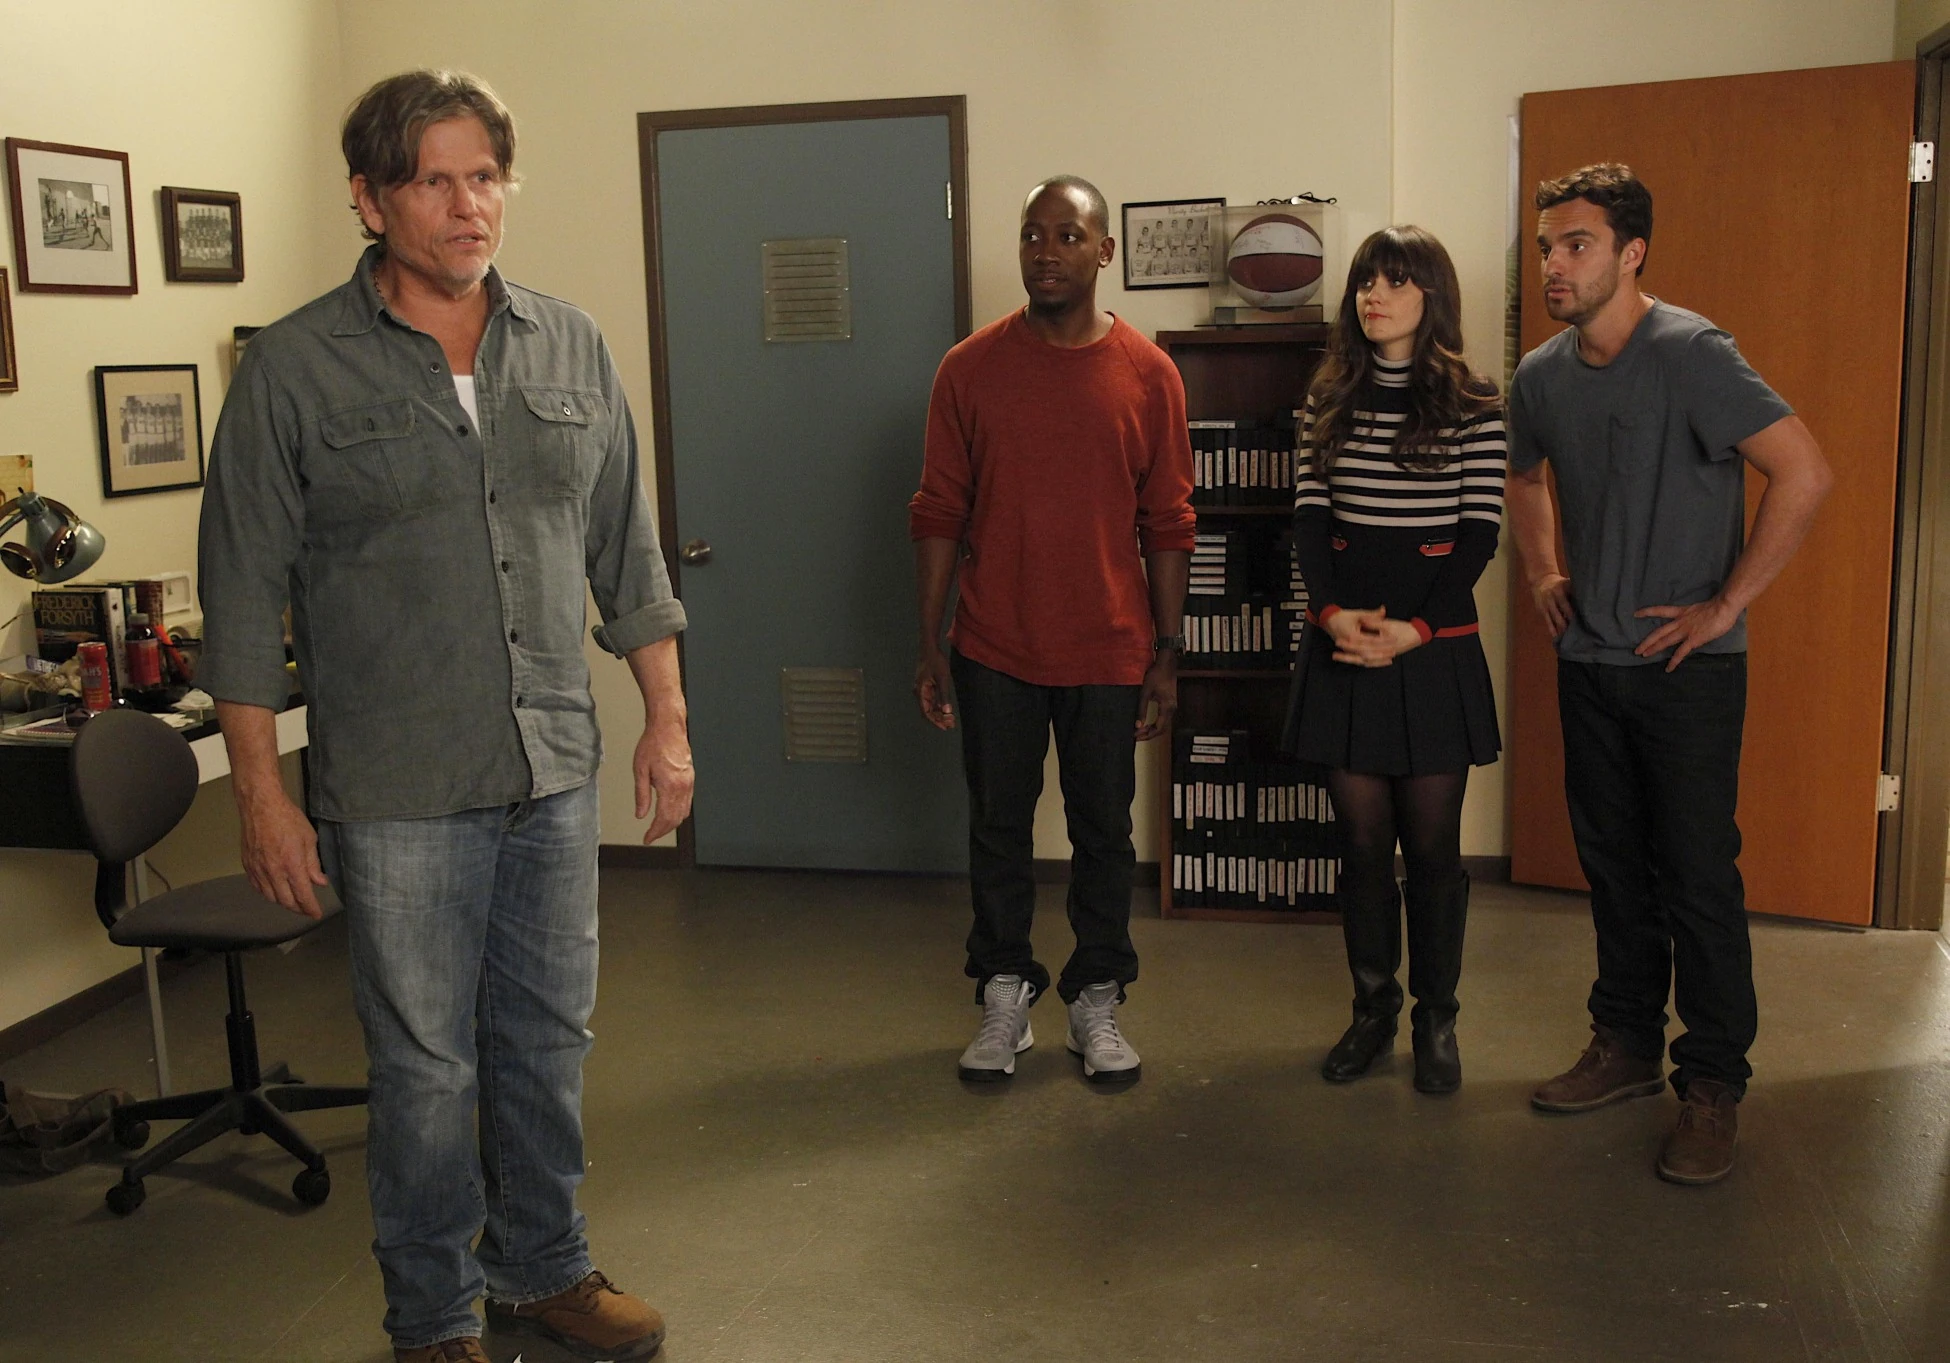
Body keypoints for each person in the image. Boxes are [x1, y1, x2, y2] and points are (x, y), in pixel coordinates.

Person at [197, 70, 692, 1363]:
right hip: (398, 786)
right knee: (423, 1069)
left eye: (484, 176)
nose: (468, 205)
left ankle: (543, 1266)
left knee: (545, 1039)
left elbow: (628, 554)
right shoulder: (293, 368)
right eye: (433, 180)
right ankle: (431, 1319)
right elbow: (239, 596)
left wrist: (666, 717)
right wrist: (261, 797)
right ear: (370, 200)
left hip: (552, 766)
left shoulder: (570, 343)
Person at [1507, 163, 1832, 1186]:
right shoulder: (1540, 376)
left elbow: (1805, 470)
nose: (1555, 264)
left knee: (1695, 874)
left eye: (1577, 245)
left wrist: (1726, 603)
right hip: (1590, 663)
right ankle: (1626, 1044)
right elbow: (1523, 475)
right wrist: (1544, 570)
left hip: (1688, 669)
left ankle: (1714, 1082)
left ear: (1632, 252)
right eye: (1547, 247)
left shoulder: (1693, 353)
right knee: (1613, 867)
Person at [909, 174, 1194, 1087]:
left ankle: (1096, 997)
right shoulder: (969, 369)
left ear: (1103, 251)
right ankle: (1004, 992)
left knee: (1103, 830)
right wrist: (930, 640)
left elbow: (1170, 522)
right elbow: (938, 509)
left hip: (1109, 647)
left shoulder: (1149, 374)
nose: (1046, 251)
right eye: (1033, 234)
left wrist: (1166, 656)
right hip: (994, 644)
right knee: (997, 826)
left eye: (1068, 236)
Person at [1283, 226, 1506, 1095]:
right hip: (1345, 644)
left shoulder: (1476, 404)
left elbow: (1477, 535)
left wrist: (1414, 629)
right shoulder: (1326, 399)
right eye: (1366, 281)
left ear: (1432, 295)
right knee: (1364, 845)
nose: (1374, 295)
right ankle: (1372, 1012)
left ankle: (1436, 1018)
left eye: (1397, 281)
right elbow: (1310, 521)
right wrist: (1333, 615)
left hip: (1432, 649)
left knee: (1435, 849)